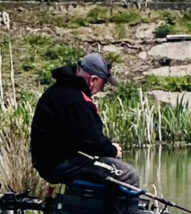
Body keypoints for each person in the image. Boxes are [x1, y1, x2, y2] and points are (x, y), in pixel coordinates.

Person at [30, 51, 142, 188]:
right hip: (58, 164)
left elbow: (83, 138)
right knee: (127, 175)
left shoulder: (61, 90)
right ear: (93, 80)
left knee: (105, 166)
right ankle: (116, 210)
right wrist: (113, 150)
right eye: (103, 84)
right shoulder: (76, 99)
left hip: (54, 160)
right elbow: (92, 142)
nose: (102, 89)